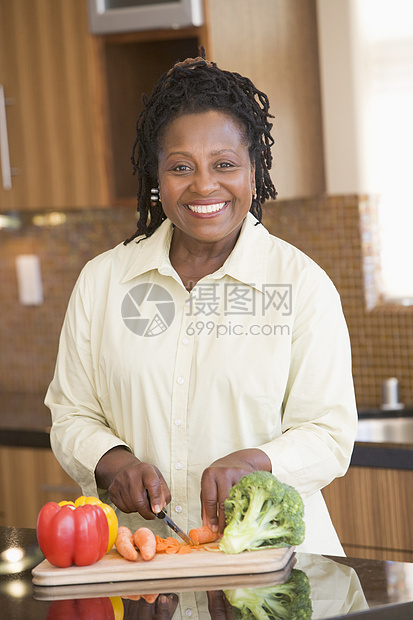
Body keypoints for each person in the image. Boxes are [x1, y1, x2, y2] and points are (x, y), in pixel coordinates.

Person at [45, 54, 357, 555]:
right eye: (181, 167)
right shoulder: (103, 281)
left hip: (272, 568)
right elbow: (71, 412)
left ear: (254, 171)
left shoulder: (302, 285)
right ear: (157, 177)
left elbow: (329, 434)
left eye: (225, 164)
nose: (204, 185)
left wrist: (255, 462)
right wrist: (115, 461)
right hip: (141, 564)